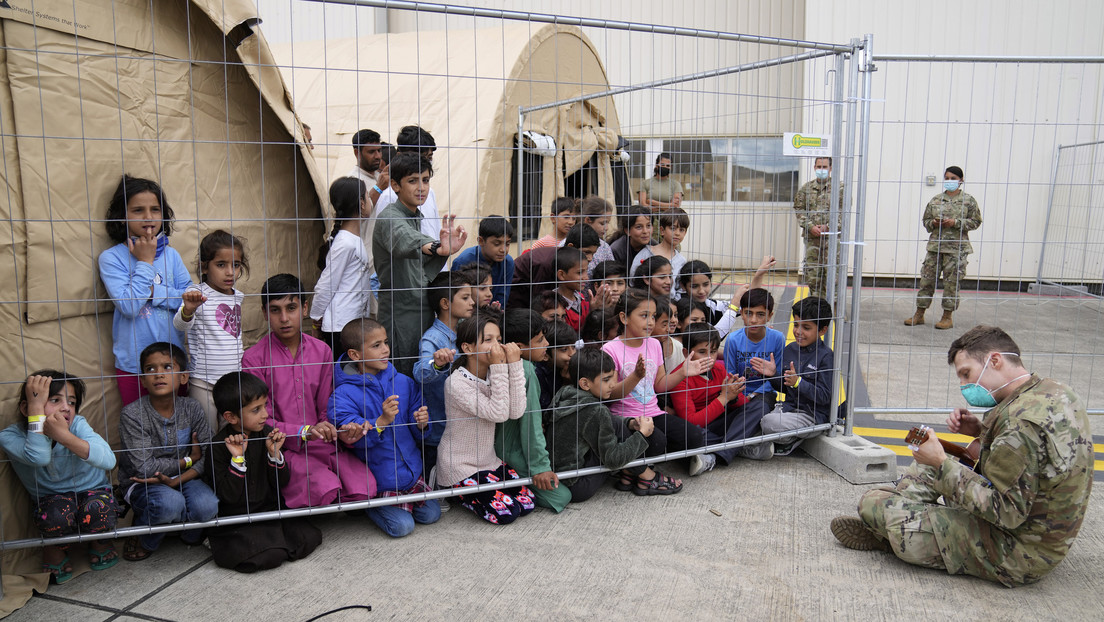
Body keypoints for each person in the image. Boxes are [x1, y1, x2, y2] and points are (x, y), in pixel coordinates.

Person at [831, 325, 1093, 587]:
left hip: (1018, 552)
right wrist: (980, 432)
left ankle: (893, 532)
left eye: (966, 374)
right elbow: (1032, 458)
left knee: (874, 504)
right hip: (1044, 534)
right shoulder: (1053, 391)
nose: (964, 386)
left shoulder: (1020, 424)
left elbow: (1007, 513)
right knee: (928, 467)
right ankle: (905, 516)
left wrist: (943, 465)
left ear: (995, 360)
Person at [242, 274, 375, 510]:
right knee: (324, 488)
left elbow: (327, 405)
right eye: (275, 310)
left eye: (291, 308)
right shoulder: (254, 359)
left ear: (304, 308)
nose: (284, 318)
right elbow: (261, 421)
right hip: (282, 446)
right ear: (265, 313)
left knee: (365, 488)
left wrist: (335, 429)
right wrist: (304, 432)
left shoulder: (322, 351)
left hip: (322, 442)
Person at [0, 372, 119, 583]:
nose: (66, 407)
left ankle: (99, 543)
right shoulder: (11, 436)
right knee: (55, 515)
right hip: (52, 501)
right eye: (55, 400)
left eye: (71, 402)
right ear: (26, 408)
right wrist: (37, 412)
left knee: (101, 508)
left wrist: (65, 436)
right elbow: (38, 457)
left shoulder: (77, 425)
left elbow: (109, 460)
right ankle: (54, 548)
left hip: (93, 491)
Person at [329, 318, 442, 537]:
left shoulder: (403, 382)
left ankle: (402, 502)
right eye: (376, 345)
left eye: (386, 342)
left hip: (411, 472)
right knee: (402, 527)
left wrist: (421, 423)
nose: (385, 350)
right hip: (379, 479)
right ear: (355, 355)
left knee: (431, 515)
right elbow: (350, 437)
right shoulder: (342, 395)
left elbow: (416, 421)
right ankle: (370, 505)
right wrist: (380, 422)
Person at [207, 372, 322, 572]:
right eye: (256, 410)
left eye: (265, 406)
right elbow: (228, 495)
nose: (265, 414)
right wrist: (237, 458)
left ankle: (272, 541)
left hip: (267, 510)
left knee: (308, 538)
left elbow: (281, 482)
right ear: (230, 417)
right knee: (267, 556)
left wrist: (274, 454)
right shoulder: (218, 446)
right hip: (236, 519)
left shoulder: (267, 434)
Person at [118, 342, 218, 561]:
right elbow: (144, 468)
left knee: (207, 506)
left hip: (186, 478)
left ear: (183, 377)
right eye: (151, 369)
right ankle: (145, 537)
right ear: (143, 380)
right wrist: (188, 460)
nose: (158, 374)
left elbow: (209, 452)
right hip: (143, 482)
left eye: (167, 367)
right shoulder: (132, 414)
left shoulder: (191, 408)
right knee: (170, 504)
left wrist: (180, 477)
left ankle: (187, 535)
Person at [98, 175, 193, 405]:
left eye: (155, 210)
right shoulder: (111, 258)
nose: (148, 217)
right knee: (138, 425)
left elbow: (189, 299)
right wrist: (146, 261)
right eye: (138, 210)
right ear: (122, 217)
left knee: (179, 422)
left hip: (173, 361)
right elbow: (129, 306)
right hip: (134, 365)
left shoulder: (172, 255)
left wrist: (154, 293)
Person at [602, 289, 709, 491]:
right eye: (644, 316)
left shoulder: (653, 344)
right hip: (626, 419)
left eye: (653, 316)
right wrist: (635, 376)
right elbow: (609, 394)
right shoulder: (610, 350)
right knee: (657, 441)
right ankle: (637, 469)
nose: (651, 322)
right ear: (624, 317)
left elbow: (659, 384)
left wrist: (682, 372)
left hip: (653, 413)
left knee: (693, 437)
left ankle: (629, 469)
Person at [373, 152, 467, 376]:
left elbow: (420, 260)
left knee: (426, 369)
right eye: (413, 181)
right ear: (395, 185)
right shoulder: (390, 217)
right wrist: (437, 247)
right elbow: (406, 240)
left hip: (421, 309)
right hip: (401, 313)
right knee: (404, 374)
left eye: (425, 180)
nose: (421, 188)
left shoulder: (414, 215)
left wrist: (439, 249)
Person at [438, 312, 536, 525]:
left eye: (499, 340)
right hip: (459, 464)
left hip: (488, 461)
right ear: (468, 348)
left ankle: (472, 492)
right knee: (506, 514)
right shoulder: (456, 383)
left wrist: (515, 364)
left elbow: (516, 411)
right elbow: (498, 414)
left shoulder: (494, 374)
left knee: (527, 504)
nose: (497, 346)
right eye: (488, 340)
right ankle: (453, 490)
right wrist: (502, 367)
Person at [547, 348, 659, 503]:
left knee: (614, 423)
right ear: (585, 383)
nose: (613, 385)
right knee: (614, 430)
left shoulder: (565, 393)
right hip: (579, 484)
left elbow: (603, 422)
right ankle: (646, 476)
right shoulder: (595, 411)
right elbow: (613, 460)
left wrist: (629, 422)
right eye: (606, 380)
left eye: (614, 377)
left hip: (561, 475)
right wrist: (641, 435)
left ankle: (631, 472)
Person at [173, 229, 249, 430]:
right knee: (206, 432)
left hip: (233, 380)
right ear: (205, 268)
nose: (230, 272)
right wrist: (188, 309)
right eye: (221, 265)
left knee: (232, 431)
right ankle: (207, 463)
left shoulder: (237, 296)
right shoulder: (197, 294)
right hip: (203, 382)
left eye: (236, 265)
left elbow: (234, 334)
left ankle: (231, 462)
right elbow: (180, 325)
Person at [497, 309, 568, 511]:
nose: (547, 344)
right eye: (540, 340)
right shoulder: (526, 370)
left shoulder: (497, 364)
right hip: (511, 452)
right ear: (518, 347)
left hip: (498, 450)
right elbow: (531, 423)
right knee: (561, 497)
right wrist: (540, 468)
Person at [754, 297, 836, 456]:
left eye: (806, 327)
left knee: (768, 423)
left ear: (822, 330)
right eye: (796, 325)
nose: (798, 332)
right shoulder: (791, 349)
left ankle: (786, 442)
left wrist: (799, 383)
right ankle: (772, 445)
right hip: (788, 409)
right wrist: (772, 375)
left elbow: (825, 396)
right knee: (754, 416)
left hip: (812, 415)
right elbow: (785, 387)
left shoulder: (826, 356)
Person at [904, 165, 983, 330]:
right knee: (926, 280)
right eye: (947, 178)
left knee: (951, 283)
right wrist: (933, 223)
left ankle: (947, 317)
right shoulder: (935, 200)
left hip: (956, 250)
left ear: (961, 181)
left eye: (953, 179)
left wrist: (955, 223)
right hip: (935, 247)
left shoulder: (968, 200)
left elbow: (976, 222)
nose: (949, 181)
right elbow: (925, 221)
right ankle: (919, 314)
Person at [412, 271, 475, 473]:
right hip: (439, 426)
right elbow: (421, 371)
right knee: (437, 471)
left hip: (460, 422)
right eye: (465, 298)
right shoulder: (432, 338)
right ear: (445, 304)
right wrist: (437, 364)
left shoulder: (465, 330)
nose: (472, 302)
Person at [715, 288, 786, 464]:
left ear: (769, 315)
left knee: (759, 407)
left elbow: (775, 378)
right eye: (748, 313)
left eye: (760, 314)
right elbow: (730, 373)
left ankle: (722, 453)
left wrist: (753, 395)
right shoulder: (733, 339)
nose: (754, 320)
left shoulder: (777, 338)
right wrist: (738, 395)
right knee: (724, 414)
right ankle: (743, 444)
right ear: (741, 313)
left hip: (763, 394)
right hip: (737, 392)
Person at [670, 323, 747, 476]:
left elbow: (742, 404)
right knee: (694, 437)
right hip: (701, 430)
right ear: (686, 353)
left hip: (720, 422)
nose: (708, 358)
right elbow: (691, 421)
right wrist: (724, 398)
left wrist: (734, 393)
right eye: (701, 352)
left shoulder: (718, 368)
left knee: (759, 405)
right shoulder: (679, 377)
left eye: (712, 352)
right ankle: (741, 444)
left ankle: (728, 448)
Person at [311, 177, 372, 358]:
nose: (370, 202)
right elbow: (326, 284)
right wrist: (315, 321)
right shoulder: (345, 243)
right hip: (340, 327)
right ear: (361, 203)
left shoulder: (352, 240)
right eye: (368, 197)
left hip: (351, 323)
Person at [678, 256, 775, 339]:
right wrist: (733, 307)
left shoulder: (711, 305)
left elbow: (749, 302)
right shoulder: (681, 307)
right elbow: (710, 338)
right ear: (683, 286)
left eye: (705, 284)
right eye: (694, 286)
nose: (701, 291)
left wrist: (758, 275)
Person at [372, 125, 442, 239]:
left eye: (428, 158)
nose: (424, 164)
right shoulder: (389, 196)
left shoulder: (429, 192)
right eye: (417, 158)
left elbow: (435, 230)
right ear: (400, 156)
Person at [508, 223, 599, 309]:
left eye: (593, 253)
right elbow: (540, 302)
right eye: (586, 252)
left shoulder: (564, 261)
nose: (590, 258)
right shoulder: (545, 264)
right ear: (571, 246)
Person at [792, 156, 844, 300]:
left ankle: (833, 307)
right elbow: (799, 209)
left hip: (832, 241)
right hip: (812, 240)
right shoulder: (806, 189)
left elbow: (844, 213)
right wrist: (809, 226)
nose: (822, 170)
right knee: (813, 275)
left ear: (831, 169)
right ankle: (816, 307)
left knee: (833, 275)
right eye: (819, 167)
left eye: (825, 167)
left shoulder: (839, 189)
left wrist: (829, 226)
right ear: (814, 168)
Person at [451, 215, 516, 308]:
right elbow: (456, 297)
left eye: (507, 244)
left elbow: (502, 296)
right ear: (481, 241)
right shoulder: (463, 261)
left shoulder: (508, 262)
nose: (503, 249)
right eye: (497, 244)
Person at [631, 208, 689, 280]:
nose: (677, 233)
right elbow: (633, 280)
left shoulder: (681, 261)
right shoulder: (646, 253)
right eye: (673, 228)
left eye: (681, 230)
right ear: (662, 230)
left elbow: (680, 287)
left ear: (685, 233)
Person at [535, 319, 578, 413]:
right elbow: (548, 413)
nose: (572, 353)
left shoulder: (576, 365)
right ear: (546, 355)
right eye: (564, 349)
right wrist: (566, 384)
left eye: (573, 347)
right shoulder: (538, 375)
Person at [553, 246, 591, 332]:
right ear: (561, 275)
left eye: (586, 271)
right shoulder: (553, 305)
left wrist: (593, 309)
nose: (586, 277)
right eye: (580, 272)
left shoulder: (581, 298)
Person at [608, 204, 653, 273]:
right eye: (639, 227)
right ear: (627, 231)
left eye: (648, 226)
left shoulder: (654, 246)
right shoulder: (617, 251)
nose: (645, 231)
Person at [578, 195, 616, 274]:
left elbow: (611, 272)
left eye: (607, 223)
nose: (606, 228)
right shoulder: (568, 243)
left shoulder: (605, 247)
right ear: (588, 220)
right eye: (602, 223)